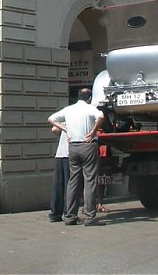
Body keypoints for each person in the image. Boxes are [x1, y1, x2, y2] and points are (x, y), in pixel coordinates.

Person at [48, 88, 105, 226]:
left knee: (73, 181)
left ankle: (70, 216)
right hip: (87, 145)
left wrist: (65, 129)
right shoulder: (89, 108)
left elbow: (51, 119)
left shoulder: (69, 109)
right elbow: (101, 116)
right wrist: (93, 131)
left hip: (73, 147)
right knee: (89, 181)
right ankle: (90, 217)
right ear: (89, 98)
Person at [48, 126, 69, 222]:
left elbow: (54, 129)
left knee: (58, 185)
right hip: (71, 152)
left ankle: (55, 213)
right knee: (69, 185)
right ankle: (67, 212)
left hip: (60, 153)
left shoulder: (64, 114)